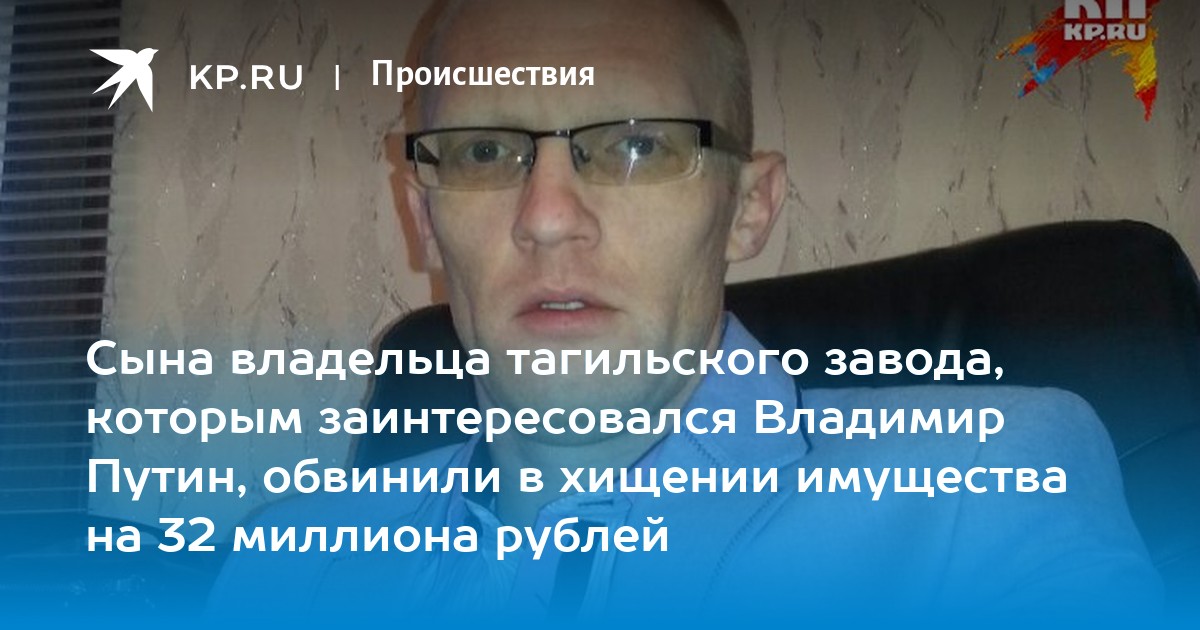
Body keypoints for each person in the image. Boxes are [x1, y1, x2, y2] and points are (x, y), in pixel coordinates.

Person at [209, 0, 1161, 621]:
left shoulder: (983, 487)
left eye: (638, 146)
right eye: (485, 153)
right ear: (424, 219)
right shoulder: (285, 558)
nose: (546, 218)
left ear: (748, 206)